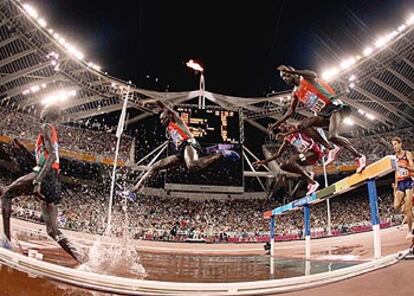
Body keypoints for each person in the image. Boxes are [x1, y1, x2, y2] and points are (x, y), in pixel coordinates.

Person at [0, 105, 84, 263]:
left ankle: (6, 242)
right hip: (53, 180)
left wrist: (38, 181)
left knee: (7, 194)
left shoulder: (45, 127)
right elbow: (42, 160)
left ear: (46, 113)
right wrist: (24, 150)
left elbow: (51, 157)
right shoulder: (50, 131)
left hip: (45, 176)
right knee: (52, 230)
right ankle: (82, 259)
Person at [270, 65, 366, 173]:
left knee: (333, 136)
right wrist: (277, 123)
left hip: (334, 107)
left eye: (286, 75)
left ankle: (359, 156)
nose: (285, 79)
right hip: (323, 114)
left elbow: (313, 74)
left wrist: (293, 71)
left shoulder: (306, 79)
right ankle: (330, 148)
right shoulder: (295, 92)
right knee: (302, 125)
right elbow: (290, 111)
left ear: (292, 73)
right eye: (283, 78)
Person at [132, 100, 240, 192]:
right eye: (160, 119)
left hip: (189, 143)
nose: (161, 121)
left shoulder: (175, 119)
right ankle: (134, 190)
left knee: (191, 165)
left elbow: (159, 103)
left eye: (162, 117)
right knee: (155, 167)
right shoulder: (169, 128)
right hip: (181, 151)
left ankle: (221, 154)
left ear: (168, 115)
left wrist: (145, 102)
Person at [254, 122, 324, 195]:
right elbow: (278, 154)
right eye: (280, 127)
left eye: (282, 125)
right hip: (306, 157)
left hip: (314, 152)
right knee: (283, 166)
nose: (281, 127)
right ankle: (308, 174)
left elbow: (298, 127)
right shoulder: (287, 139)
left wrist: (283, 128)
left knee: (291, 161)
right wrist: (264, 162)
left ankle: (313, 183)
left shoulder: (294, 127)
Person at [391, 137, 414, 239]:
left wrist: (406, 167)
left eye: (396, 144)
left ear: (400, 144)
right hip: (400, 182)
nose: (394, 147)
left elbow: (413, 168)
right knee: (396, 206)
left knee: (408, 208)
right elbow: (396, 172)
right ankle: (406, 204)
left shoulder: (407, 154)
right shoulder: (393, 158)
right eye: (393, 145)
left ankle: (410, 231)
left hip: (408, 181)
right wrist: (395, 186)